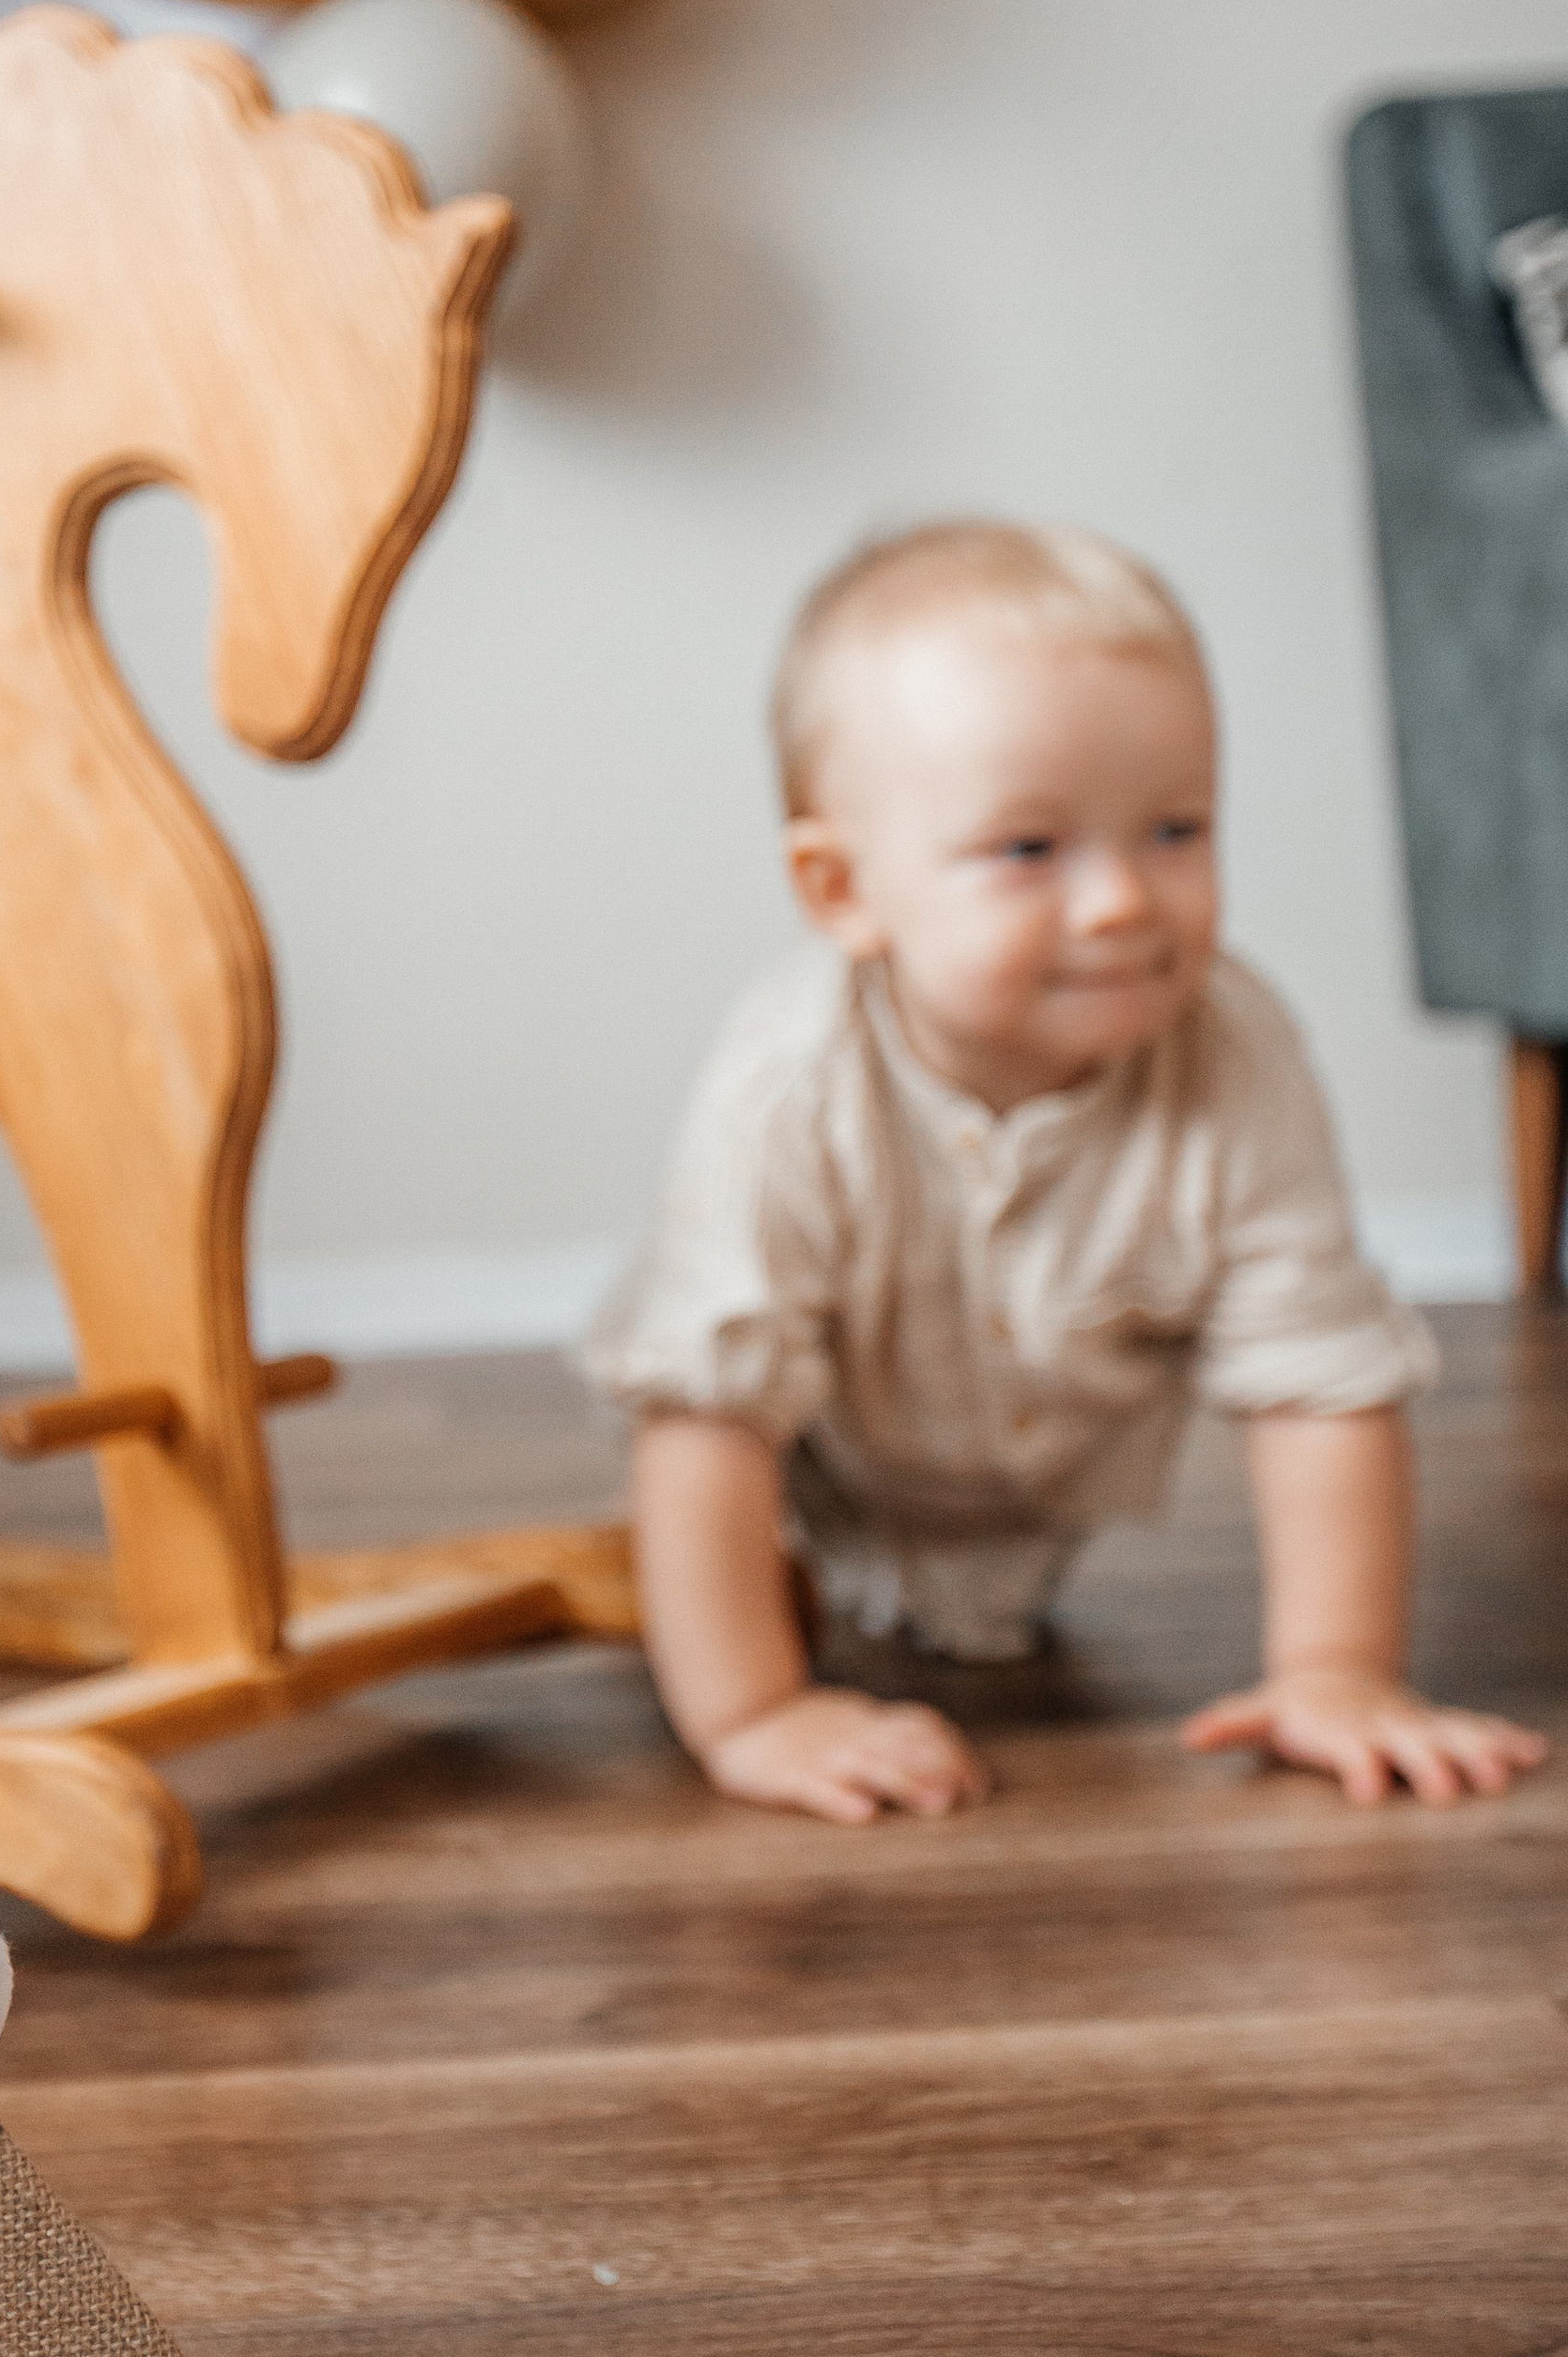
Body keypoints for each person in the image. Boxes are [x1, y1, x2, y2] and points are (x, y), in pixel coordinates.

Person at [583, 519, 1549, 1825]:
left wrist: (1337, 1666)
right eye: (1029, 848)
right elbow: (708, 1412)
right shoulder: (789, 1089)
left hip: (1032, 1498)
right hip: (803, 1476)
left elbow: (1320, 1381)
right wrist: (753, 1713)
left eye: (1175, 829)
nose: (1121, 902)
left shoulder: (1233, 1062)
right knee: (704, 1484)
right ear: (842, 890)